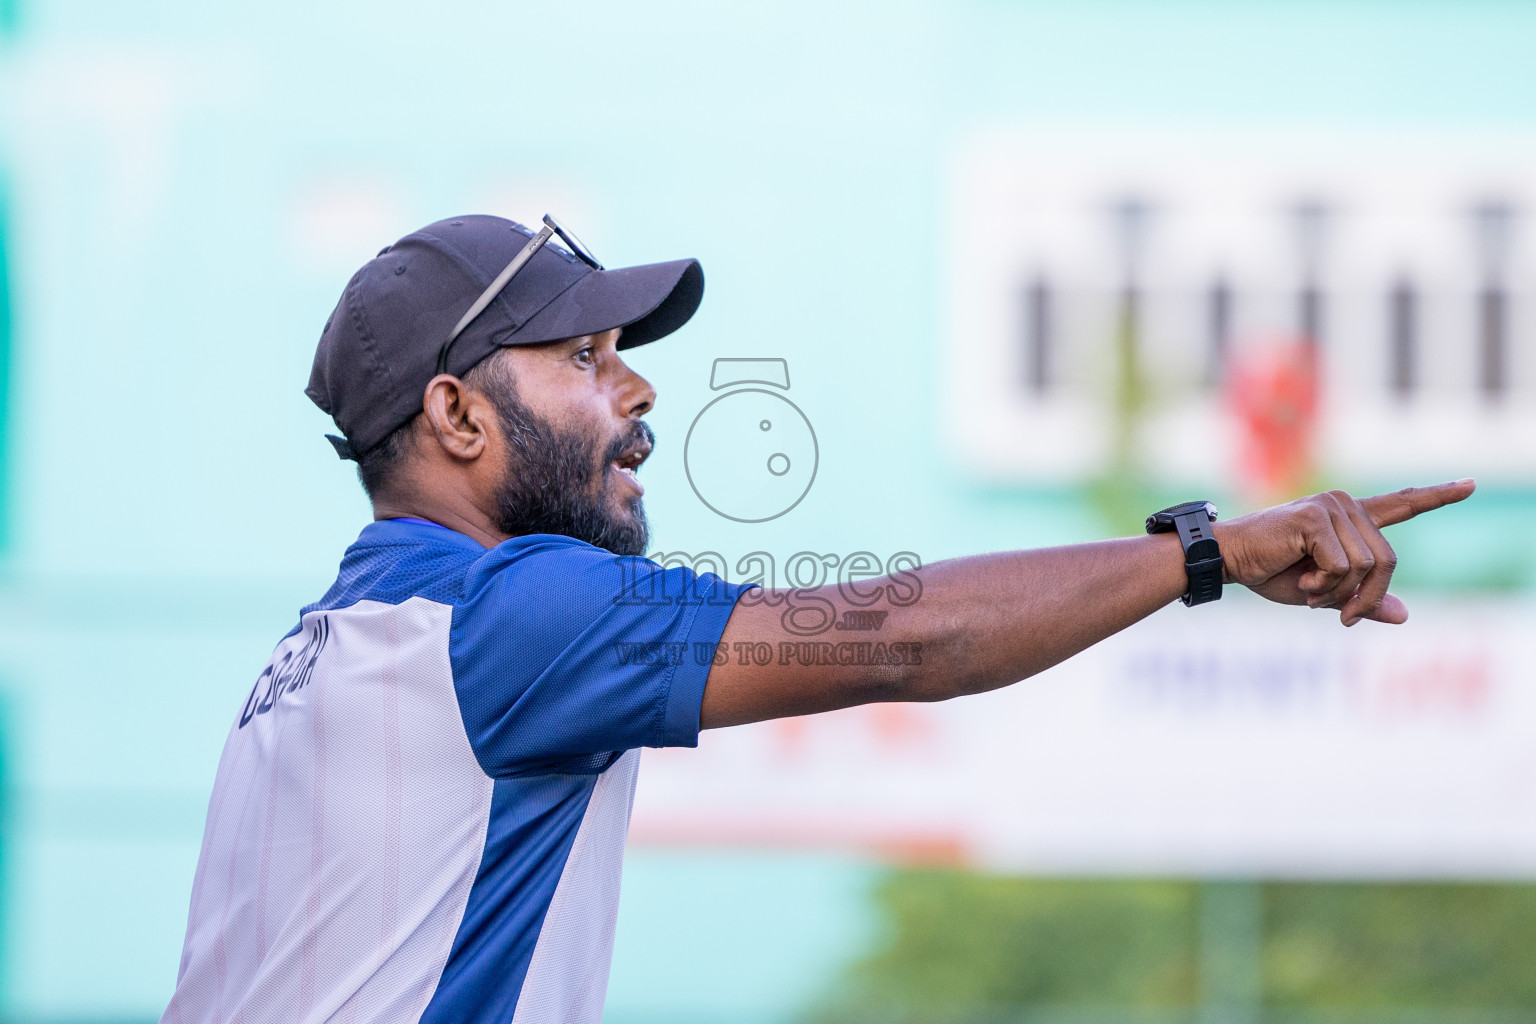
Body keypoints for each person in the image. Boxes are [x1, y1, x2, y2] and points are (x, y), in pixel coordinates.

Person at [162, 214, 1474, 1024]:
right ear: (454, 417)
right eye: (580, 360)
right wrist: (1208, 548)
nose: (636, 392)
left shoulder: (322, 646)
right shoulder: (508, 622)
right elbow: (903, 636)